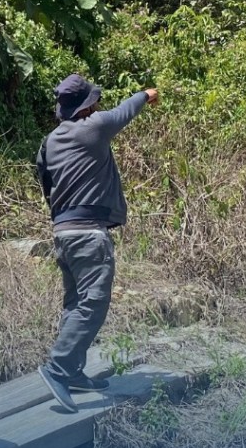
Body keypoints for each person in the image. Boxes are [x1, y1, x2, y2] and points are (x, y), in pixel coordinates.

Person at [35, 74, 158, 413]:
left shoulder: (50, 141)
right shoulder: (93, 127)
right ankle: (58, 369)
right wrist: (146, 94)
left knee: (75, 303)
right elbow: (126, 110)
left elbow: (44, 181)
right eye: (94, 101)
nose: (98, 105)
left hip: (63, 232)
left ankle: (73, 372)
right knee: (93, 302)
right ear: (87, 105)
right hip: (89, 234)